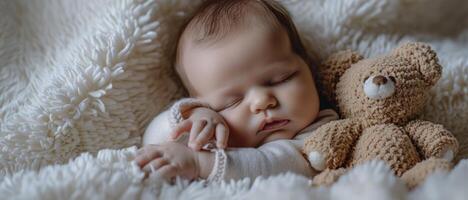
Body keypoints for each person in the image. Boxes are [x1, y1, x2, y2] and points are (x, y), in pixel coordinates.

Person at [134, 0, 338, 183]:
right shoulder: (218, 133)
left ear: (308, 66)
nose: (261, 101)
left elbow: (283, 164)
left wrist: (200, 163)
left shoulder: (324, 129)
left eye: (281, 79)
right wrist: (194, 116)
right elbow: (155, 141)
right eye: (231, 102)